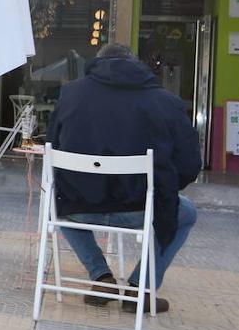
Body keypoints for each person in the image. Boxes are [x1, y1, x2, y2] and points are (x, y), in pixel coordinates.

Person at [47, 42, 201, 314]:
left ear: (96, 63)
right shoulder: (166, 102)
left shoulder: (70, 94)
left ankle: (101, 276)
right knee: (185, 211)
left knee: (55, 199)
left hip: (80, 208)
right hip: (140, 208)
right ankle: (138, 289)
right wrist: (157, 191)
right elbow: (190, 165)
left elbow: (53, 146)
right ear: (135, 64)